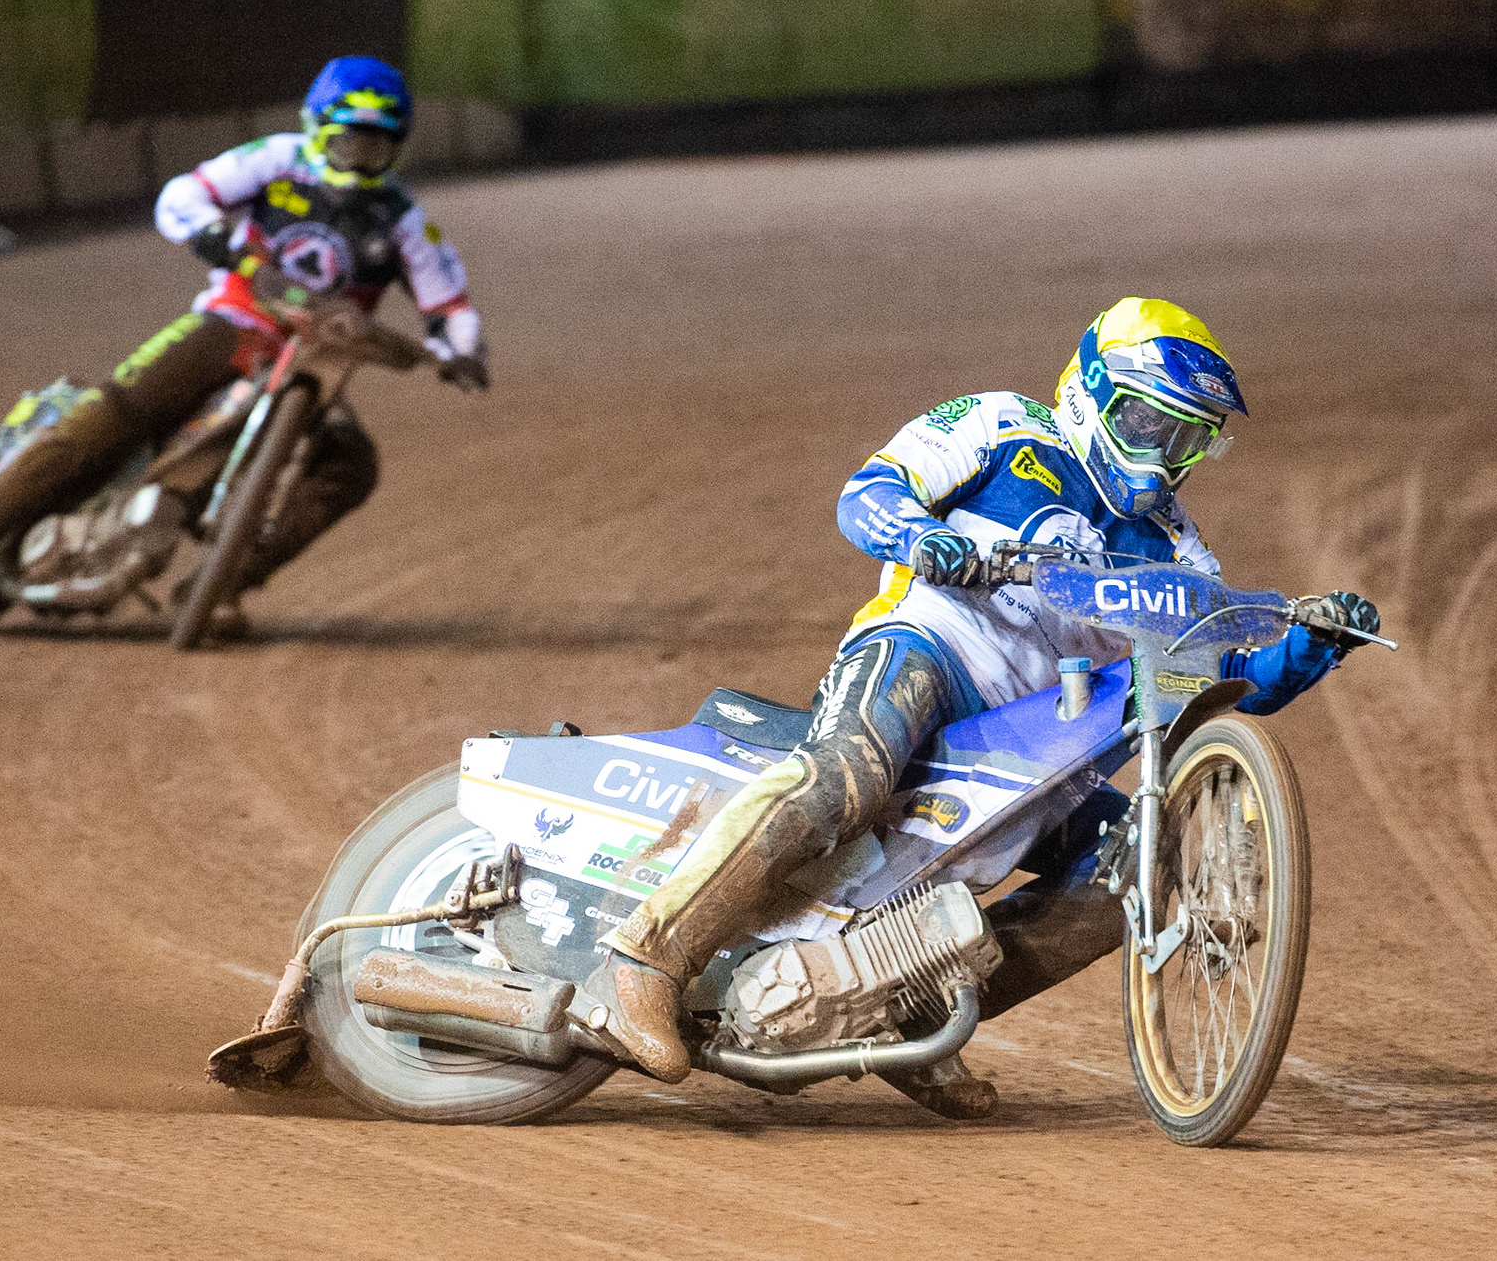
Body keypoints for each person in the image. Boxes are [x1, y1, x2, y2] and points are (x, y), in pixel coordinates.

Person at [579, 297, 1380, 1116]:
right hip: (926, 647)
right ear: (1091, 393)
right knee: (848, 773)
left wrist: (1313, 644)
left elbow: (1219, 675)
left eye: (1185, 439)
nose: (1160, 455)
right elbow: (869, 490)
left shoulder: (1177, 548)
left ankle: (908, 1014)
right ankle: (643, 959)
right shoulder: (1001, 426)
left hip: (1030, 738)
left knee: (1137, 866)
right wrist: (919, 538)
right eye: (1146, 424)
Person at [0, 55, 487, 595]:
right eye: (348, 144)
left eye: (376, 149)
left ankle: (224, 586)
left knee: (351, 466)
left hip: (316, 366)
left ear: (397, 148)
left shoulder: (405, 220)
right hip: (235, 322)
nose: (359, 162)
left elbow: (450, 305)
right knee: (124, 403)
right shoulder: (276, 160)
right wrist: (218, 240)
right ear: (315, 130)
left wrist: (461, 351)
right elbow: (182, 195)